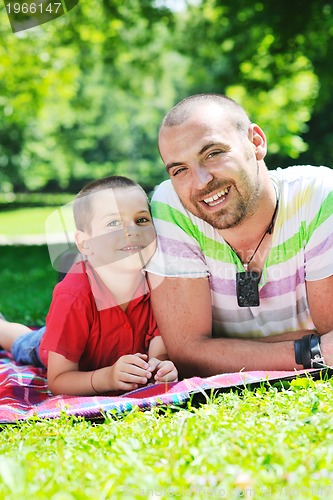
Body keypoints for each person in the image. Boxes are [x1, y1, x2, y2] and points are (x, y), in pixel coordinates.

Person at [146, 93, 333, 378]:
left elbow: (330, 331)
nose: (201, 182)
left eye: (213, 154)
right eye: (180, 170)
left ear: (256, 142)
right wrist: (309, 350)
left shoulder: (319, 197)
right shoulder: (172, 206)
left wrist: (221, 352)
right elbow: (187, 353)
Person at [0, 176, 177, 395]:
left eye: (141, 220)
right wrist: (107, 378)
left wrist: (161, 368)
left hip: (93, 339)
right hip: (66, 348)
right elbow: (58, 381)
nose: (132, 230)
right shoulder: (73, 296)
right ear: (85, 243)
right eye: (114, 223)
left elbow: (159, 353)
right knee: (23, 342)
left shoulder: (160, 284)